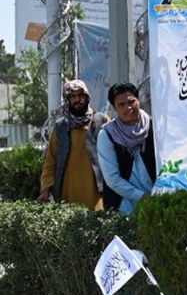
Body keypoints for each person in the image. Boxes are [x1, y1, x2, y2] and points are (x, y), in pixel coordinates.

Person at [38, 79, 108, 209]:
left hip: (96, 194)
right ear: (67, 100)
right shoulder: (60, 127)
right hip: (67, 195)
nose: (77, 100)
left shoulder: (101, 121)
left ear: (87, 97)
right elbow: (50, 161)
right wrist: (45, 189)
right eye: (73, 96)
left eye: (81, 95)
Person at [97, 82, 156, 214]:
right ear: (115, 108)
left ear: (138, 100)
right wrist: (141, 196)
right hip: (124, 206)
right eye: (121, 104)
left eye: (131, 101)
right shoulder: (107, 134)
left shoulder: (154, 126)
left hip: (156, 200)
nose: (128, 108)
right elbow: (112, 179)